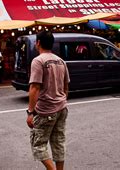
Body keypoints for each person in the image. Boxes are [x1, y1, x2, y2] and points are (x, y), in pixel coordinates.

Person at [26, 31, 70, 170]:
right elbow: (66, 86)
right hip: (61, 108)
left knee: (38, 145)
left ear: (38, 43)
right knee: (58, 143)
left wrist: (30, 112)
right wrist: (61, 101)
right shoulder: (60, 61)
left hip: (45, 110)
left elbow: (34, 87)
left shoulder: (38, 61)